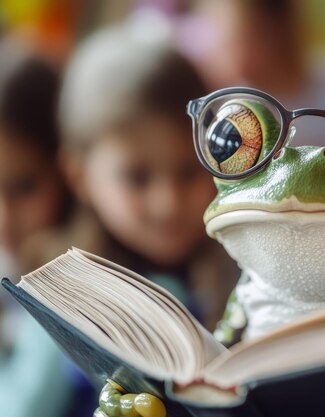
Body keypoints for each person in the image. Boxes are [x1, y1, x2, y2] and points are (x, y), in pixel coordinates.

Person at [26, 21, 240, 416]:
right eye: (137, 177)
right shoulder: (60, 290)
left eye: (188, 170)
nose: (168, 203)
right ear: (80, 176)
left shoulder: (239, 268)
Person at [0, 40, 75, 417]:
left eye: (25, 186)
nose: (5, 218)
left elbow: (21, 410)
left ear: (68, 172)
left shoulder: (67, 279)